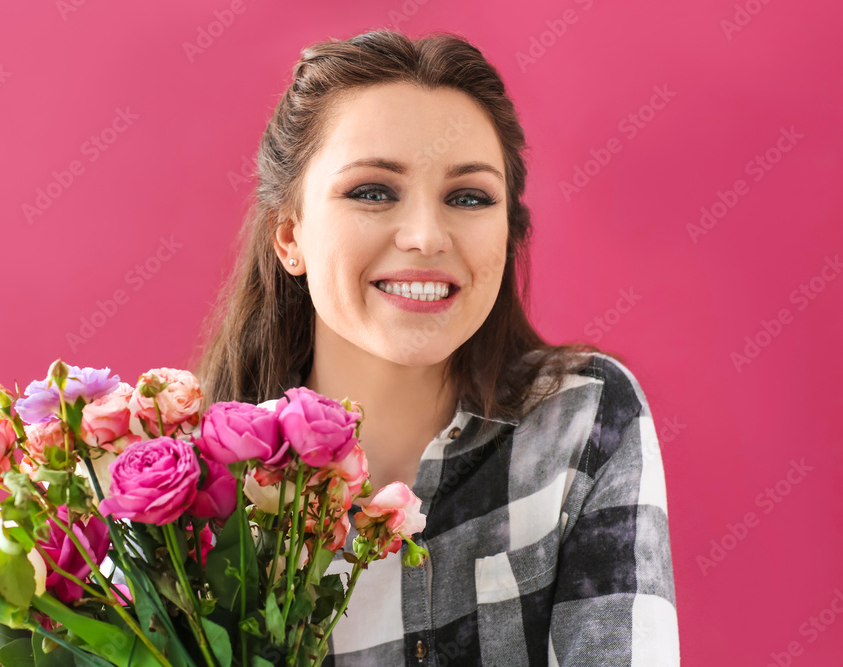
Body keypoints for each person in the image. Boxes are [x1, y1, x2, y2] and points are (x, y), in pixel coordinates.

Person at [193, 28, 679, 667]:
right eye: (372, 191)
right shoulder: (195, 497)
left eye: (469, 197)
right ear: (290, 235)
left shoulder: (585, 419)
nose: (426, 235)